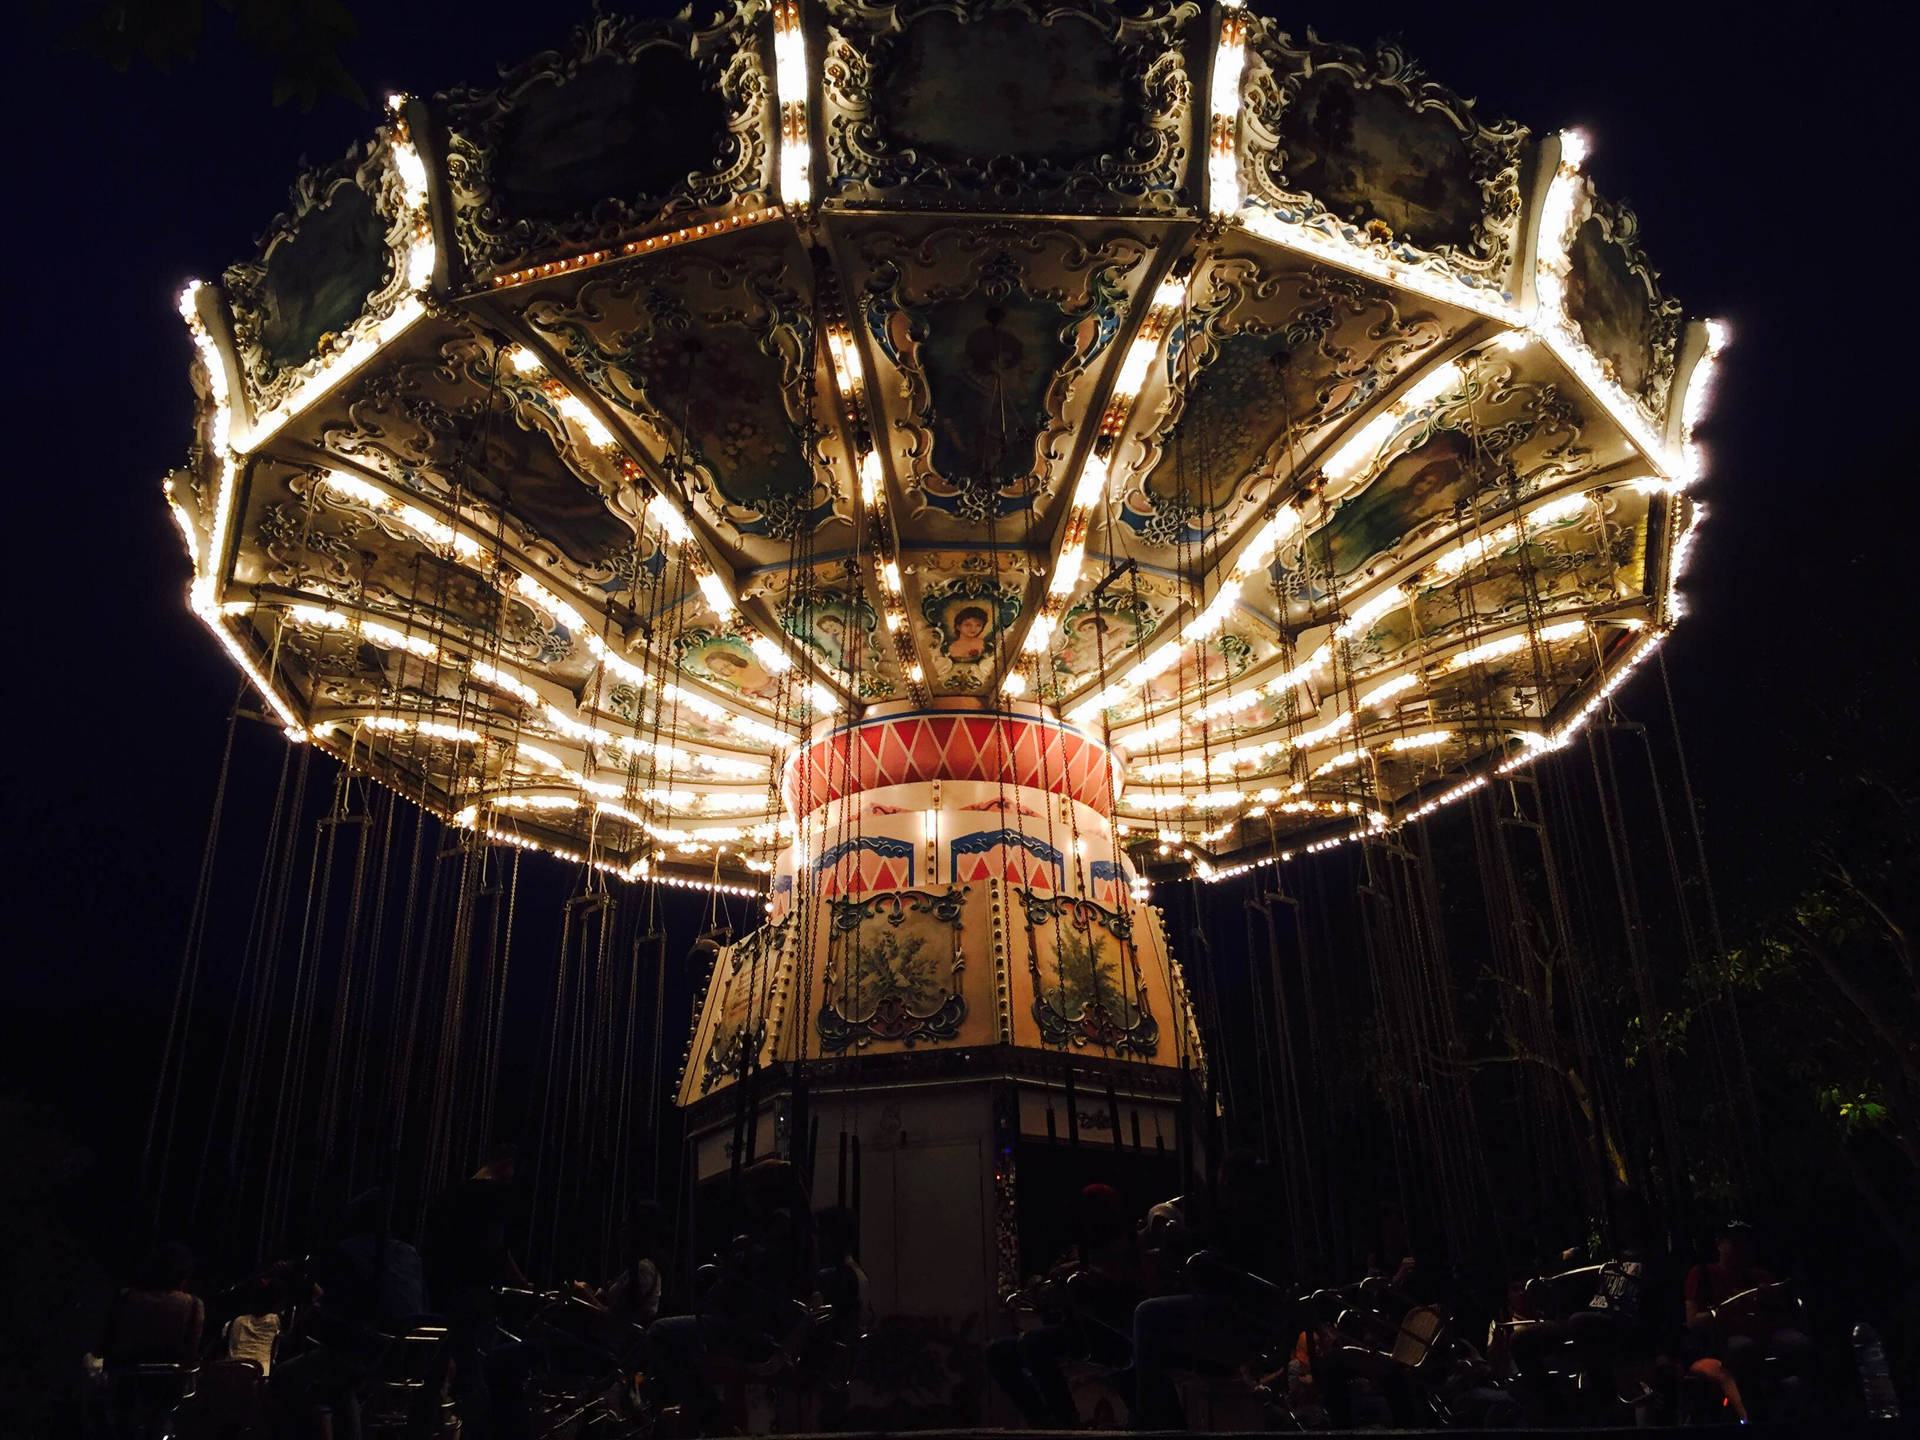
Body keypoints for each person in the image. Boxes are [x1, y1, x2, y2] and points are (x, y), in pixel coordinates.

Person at [1129, 1153, 1288, 1429]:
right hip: (1239, 1309)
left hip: (1237, 1314)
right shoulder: (1251, 1217)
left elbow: (1214, 1257)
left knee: (1147, 1315)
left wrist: (1179, 1240)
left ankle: (1156, 1421)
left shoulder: (1243, 1218)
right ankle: (1168, 1417)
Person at [420, 1144, 531, 1440]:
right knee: (474, 1366)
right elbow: (497, 1249)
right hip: (475, 1293)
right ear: (505, 1164)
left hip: (442, 1291)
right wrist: (521, 1283)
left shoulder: (449, 1195)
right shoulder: (495, 1197)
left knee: (439, 1366)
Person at [1684, 1220, 1811, 1415]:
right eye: (1733, 1241)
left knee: (1799, 1342)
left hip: (1767, 1335)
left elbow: (1787, 1315)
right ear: (1719, 1244)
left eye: (1745, 1241)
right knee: (1742, 1347)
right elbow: (1693, 1321)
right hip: (1726, 1340)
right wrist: (1724, 1310)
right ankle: (1749, 1409)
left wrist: (1772, 1300)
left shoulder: (1760, 1275)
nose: (1740, 1247)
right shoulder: (1704, 1274)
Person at [101, 1243, 206, 1368]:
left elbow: (103, 1347)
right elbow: (190, 1355)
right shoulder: (193, 1305)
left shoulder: (125, 1298)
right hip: (171, 1383)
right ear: (184, 1276)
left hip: (125, 1382)